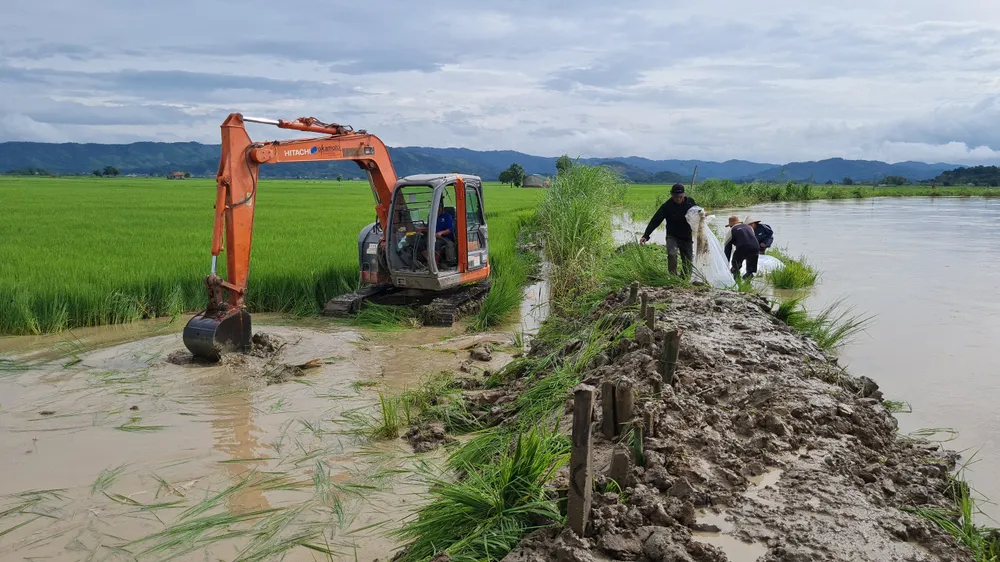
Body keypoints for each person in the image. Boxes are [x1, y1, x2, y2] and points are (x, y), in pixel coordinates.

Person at [639, 183, 696, 277]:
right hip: (672, 235)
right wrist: (646, 235)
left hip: (686, 236)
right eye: (675, 197)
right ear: (672, 195)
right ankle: (673, 277)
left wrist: (703, 215)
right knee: (672, 254)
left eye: (680, 196)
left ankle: (684, 279)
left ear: (684, 195)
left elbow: (698, 214)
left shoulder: (690, 202)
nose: (678, 199)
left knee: (688, 260)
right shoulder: (667, 206)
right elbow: (655, 220)